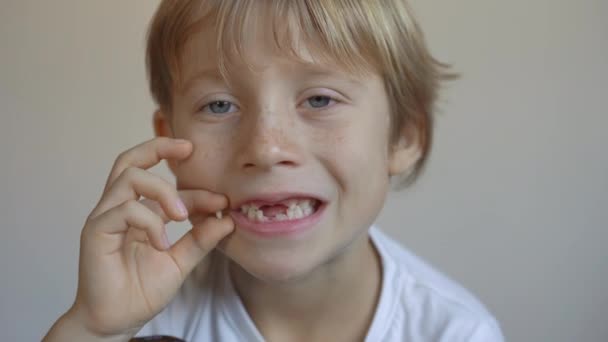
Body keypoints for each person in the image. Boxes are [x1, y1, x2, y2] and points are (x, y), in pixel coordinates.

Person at [44, 1, 504, 341]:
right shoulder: (141, 317)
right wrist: (93, 329)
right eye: (219, 105)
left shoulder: (456, 332)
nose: (266, 148)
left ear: (403, 135)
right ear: (170, 143)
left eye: (320, 99)